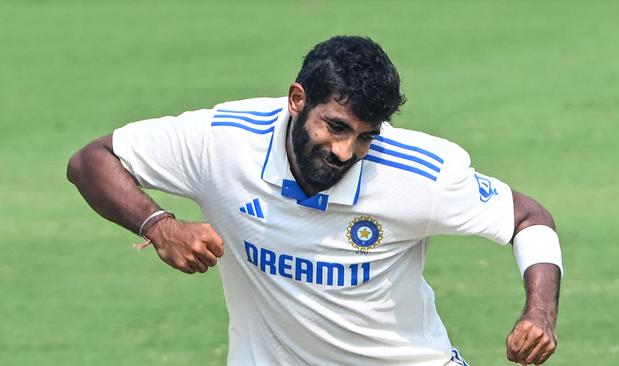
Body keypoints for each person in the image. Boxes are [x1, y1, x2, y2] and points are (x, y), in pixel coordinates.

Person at [67, 35, 563, 366]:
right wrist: (158, 225)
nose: (346, 151)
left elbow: (527, 216)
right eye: (337, 127)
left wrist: (538, 314)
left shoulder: (419, 172)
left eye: (366, 137)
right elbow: (92, 160)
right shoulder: (222, 141)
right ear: (297, 99)